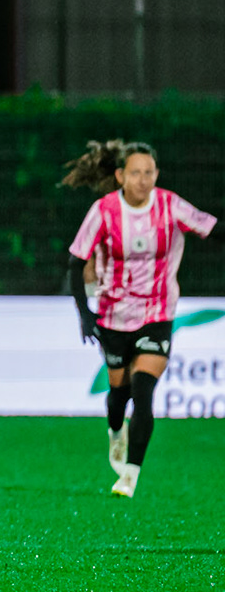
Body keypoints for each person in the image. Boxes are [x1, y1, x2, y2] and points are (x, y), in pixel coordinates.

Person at [62, 139, 216, 497]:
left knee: (144, 390)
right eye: (136, 173)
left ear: (156, 174)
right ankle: (116, 430)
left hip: (158, 313)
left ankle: (129, 475)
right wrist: (85, 315)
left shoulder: (170, 205)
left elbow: (212, 229)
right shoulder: (103, 211)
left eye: (149, 172)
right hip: (114, 315)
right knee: (119, 395)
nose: (144, 179)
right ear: (120, 176)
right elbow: (75, 261)